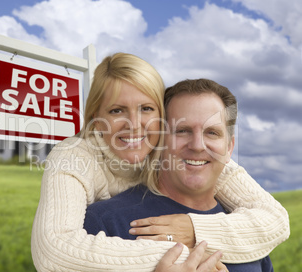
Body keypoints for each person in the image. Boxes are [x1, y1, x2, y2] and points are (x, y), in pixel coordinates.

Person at [31, 53, 290, 271]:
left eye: (146, 108)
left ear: (162, 116)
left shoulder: (194, 156)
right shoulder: (75, 157)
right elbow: (54, 249)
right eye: (116, 110)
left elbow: (274, 219)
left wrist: (195, 229)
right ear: (95, 117)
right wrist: (183, 256)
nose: (134, 125)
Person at [84, 79, 278, 271]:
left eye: (212, 133)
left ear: (229, 148)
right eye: (182, 131)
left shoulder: (251, 234)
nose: (197, 145)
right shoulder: (104, 223)